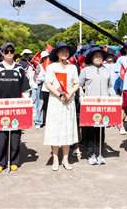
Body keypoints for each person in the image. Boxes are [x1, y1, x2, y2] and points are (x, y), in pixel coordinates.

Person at [0, 42, 31, 173]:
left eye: (11, 51)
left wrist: (27, 103)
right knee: (0, 136)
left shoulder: (19, 69)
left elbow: (25, 88)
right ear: (2, 53)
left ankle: (14, 160)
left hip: (16, 108)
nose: (9, 53)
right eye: (6, 51)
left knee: (15, 135)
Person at [43, 43, 80, 171]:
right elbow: (48, 83)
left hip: (69, 102)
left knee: (67, 129)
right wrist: (59, 94)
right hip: (56, 101)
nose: (65, 53)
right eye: (62, 51)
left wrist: (70, 94)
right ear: (57, 53)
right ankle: (55, 158)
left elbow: (76, 83)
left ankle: (65, 158)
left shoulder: (73, 68)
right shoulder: (51, 67)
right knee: (55, 128)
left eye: (67, 51)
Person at [78, 46, 115, 165]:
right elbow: (78, 85)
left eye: (100, 56)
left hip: (103, 104)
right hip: (90, 105)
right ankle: (90, 154)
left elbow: (110, 87)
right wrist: (82, 97)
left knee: (101, 129)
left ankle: (100, 153)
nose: (99, 58)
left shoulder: (106, 70)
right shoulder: (86, 70)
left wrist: (113, 98)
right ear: (91, 58)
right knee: (89, 130)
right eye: (96, 56)